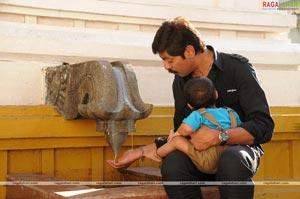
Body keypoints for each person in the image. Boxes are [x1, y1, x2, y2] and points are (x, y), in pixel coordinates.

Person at [107, 17, 274, 199]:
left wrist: (220, 137)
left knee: (231, 161)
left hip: (238, 150)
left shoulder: (237, 68)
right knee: (173, 164)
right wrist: (140, 152)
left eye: (169, 60)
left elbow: (263, 126)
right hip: (200, 155)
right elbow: (182, 133)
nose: (166, 66)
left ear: (189, 51)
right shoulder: (180, 81)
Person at [154, 76, 242, 174]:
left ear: (189, 105)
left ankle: (157, 154)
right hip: (231, 159)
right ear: (216, 94)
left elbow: (186, 129)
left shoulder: (198, 115)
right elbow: (239, 131)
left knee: (177, 141)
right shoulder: (231, 112)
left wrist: (176, 134)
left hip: (208, 161)